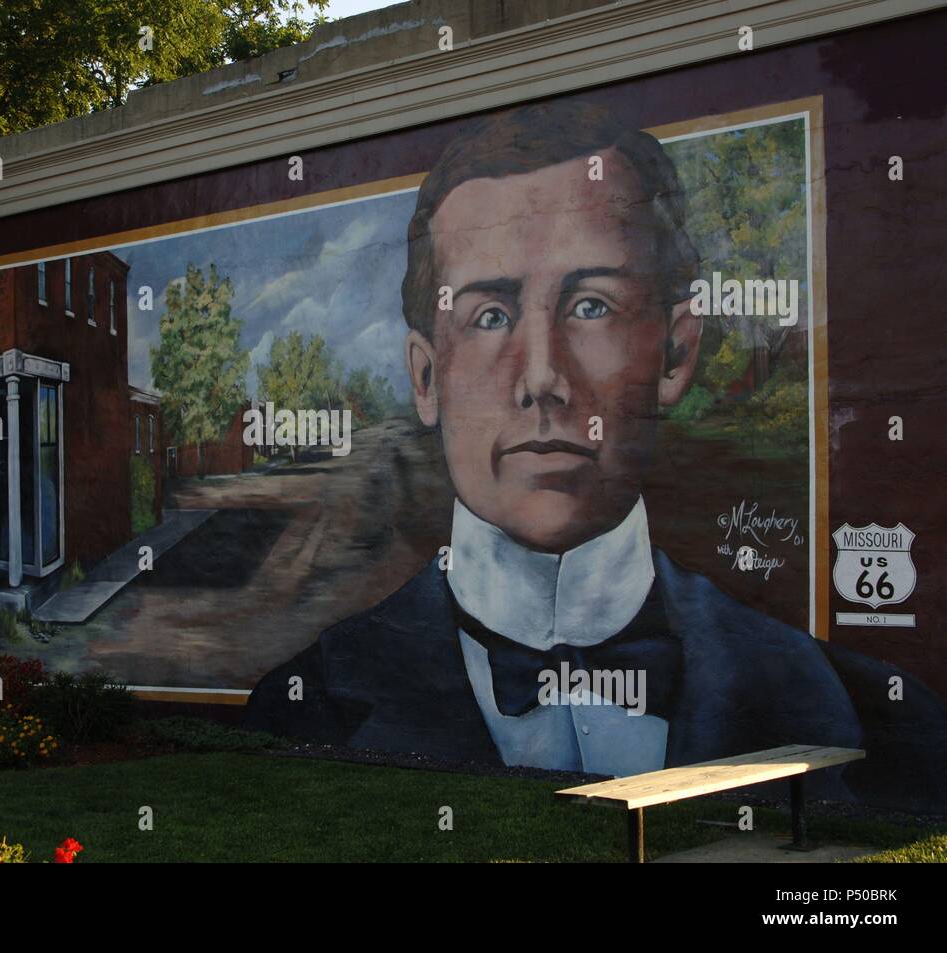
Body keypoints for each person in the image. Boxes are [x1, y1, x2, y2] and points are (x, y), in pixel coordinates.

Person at [243, 100, 947, 808]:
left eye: (591, 306)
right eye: (490, 316)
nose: (543, 377)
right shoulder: (300, 710)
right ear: (427, 378)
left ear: (674, 352)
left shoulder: (877, 724)